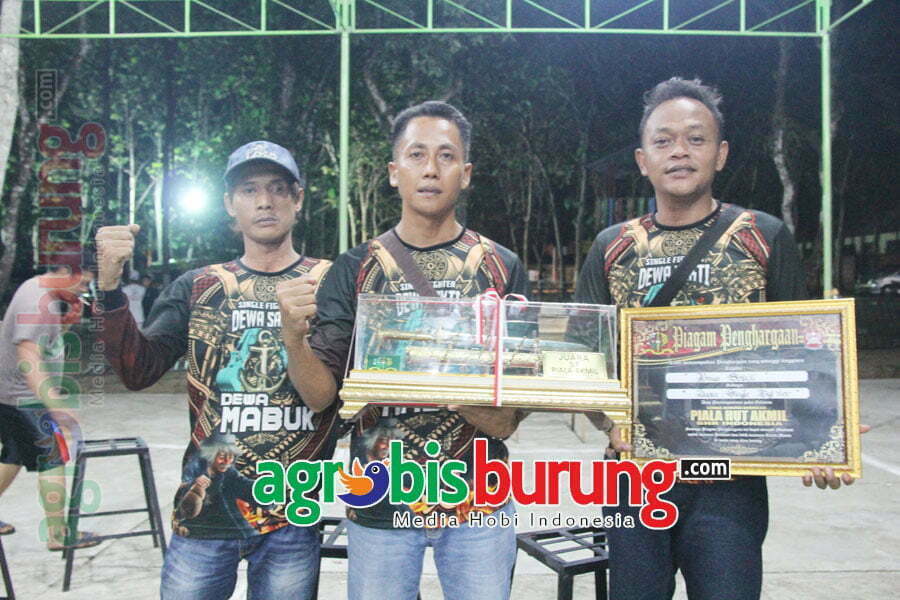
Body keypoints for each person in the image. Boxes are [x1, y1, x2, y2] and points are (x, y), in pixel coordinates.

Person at [576, 77, 861, 600]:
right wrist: (612, 423)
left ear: (721, 153)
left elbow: (804, 354)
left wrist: (826, 434)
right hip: (636, 481)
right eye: (663, 141)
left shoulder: (763, 237)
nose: (679, 151)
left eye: (696, 138)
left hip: (732, 484)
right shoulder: (611, 247)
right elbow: (584, 364)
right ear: (642, 160)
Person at [290, 101, 528, 600]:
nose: (431, 169)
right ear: (394, 172)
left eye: (446, 156)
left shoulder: (501, 267)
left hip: (478, 498)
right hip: (380, 498)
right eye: (417, 155)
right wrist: (293, 337)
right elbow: (320, 397)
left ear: (465, 174)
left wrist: (443, 381)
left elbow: (510, 415)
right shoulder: (354, 269)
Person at [93, 140, 338, 600]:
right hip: (205, 510)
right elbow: (137, 370)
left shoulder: (331, 284)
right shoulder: (198, 286)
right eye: (249, 190)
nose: (264, 202)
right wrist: (108, 285)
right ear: (230, 203)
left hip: (292, 513)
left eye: (278, 188)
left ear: (298, 199)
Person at [0, 265, 101, 550]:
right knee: (53, 459)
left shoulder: (42, 291)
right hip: (24, 397)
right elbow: (29, 357)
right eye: (83, 282)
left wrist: (66, 324)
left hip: (12, 394)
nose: (84, 290)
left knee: (14, 455)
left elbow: (44, 345)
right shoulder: (37, 301)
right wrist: (56, 404)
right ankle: (58, 535)